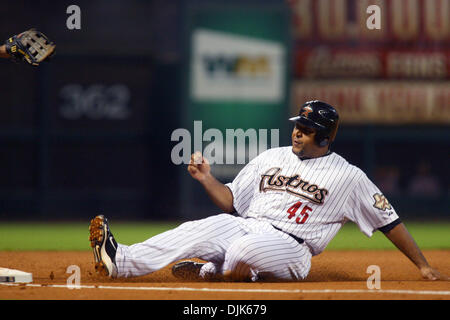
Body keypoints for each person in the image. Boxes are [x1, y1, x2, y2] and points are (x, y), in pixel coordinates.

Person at [89, 100, 447, 281]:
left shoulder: (349, 177)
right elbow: (231, 203)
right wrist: (206, 179)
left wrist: (423, 266)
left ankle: (210, 271)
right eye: (297, 126)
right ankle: (120, 260)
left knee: (242, 252)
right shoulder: (272, 156)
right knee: (196, 229)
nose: (296, 132)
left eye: (305, 130)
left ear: (324, 137)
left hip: (293, 246)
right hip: (248, 224)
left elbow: (389, 221)